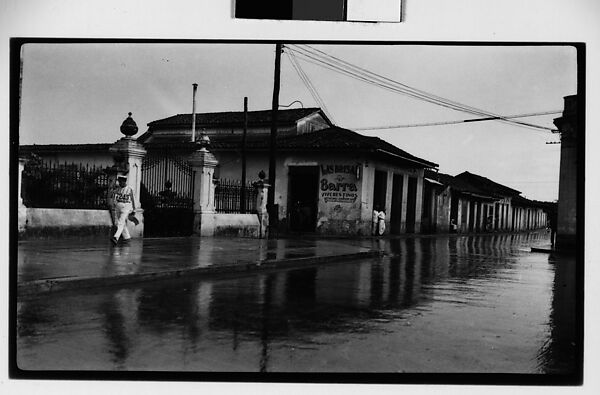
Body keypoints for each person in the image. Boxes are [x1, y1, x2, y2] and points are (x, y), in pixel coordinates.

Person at [108, 173, 136, 245]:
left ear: (124, 181)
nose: (120, 183)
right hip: (118, 207)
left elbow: (132, 199)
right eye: (119, 181)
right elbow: (112, 195)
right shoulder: (118, 189)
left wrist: (134, 209)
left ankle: (116, 237)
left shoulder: (129, 189)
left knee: (121, 222)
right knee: (120, 223)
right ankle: (127, 238)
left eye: (121, 182)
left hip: (126, 207)